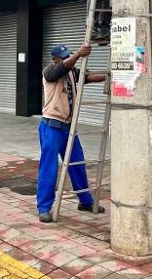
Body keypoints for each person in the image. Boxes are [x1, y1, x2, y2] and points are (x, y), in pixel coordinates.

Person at [37, 43, 107, 223]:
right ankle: (44, 207)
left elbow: (90, 77)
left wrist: (111, 76)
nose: (70, 60)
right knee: (49, 167)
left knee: (77, 164)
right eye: (65, 57)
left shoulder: (71, 72)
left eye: (69, 56)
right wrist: (78, 54)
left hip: (68, 128)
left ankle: (85, 201)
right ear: (55, 59)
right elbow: (61, 68)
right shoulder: (50, 72)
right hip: (51, 127)